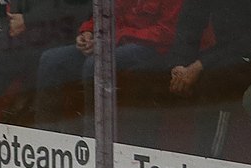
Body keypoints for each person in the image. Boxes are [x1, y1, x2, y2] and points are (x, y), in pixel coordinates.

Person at [34, 0, 182, 141]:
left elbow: (166, 32)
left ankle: (91, 141)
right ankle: (46, 141)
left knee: (95, 65)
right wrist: (88, 32)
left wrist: (113, 38)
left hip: (149, 48)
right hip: (110, 42)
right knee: (51, 61)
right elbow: (103, 12)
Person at [164, 0, 251, 152]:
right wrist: (180, 66)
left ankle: (209, 161)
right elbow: (190, 22)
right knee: (151, 77)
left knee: (215, 82)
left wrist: (200, 64)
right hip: (229, 52)